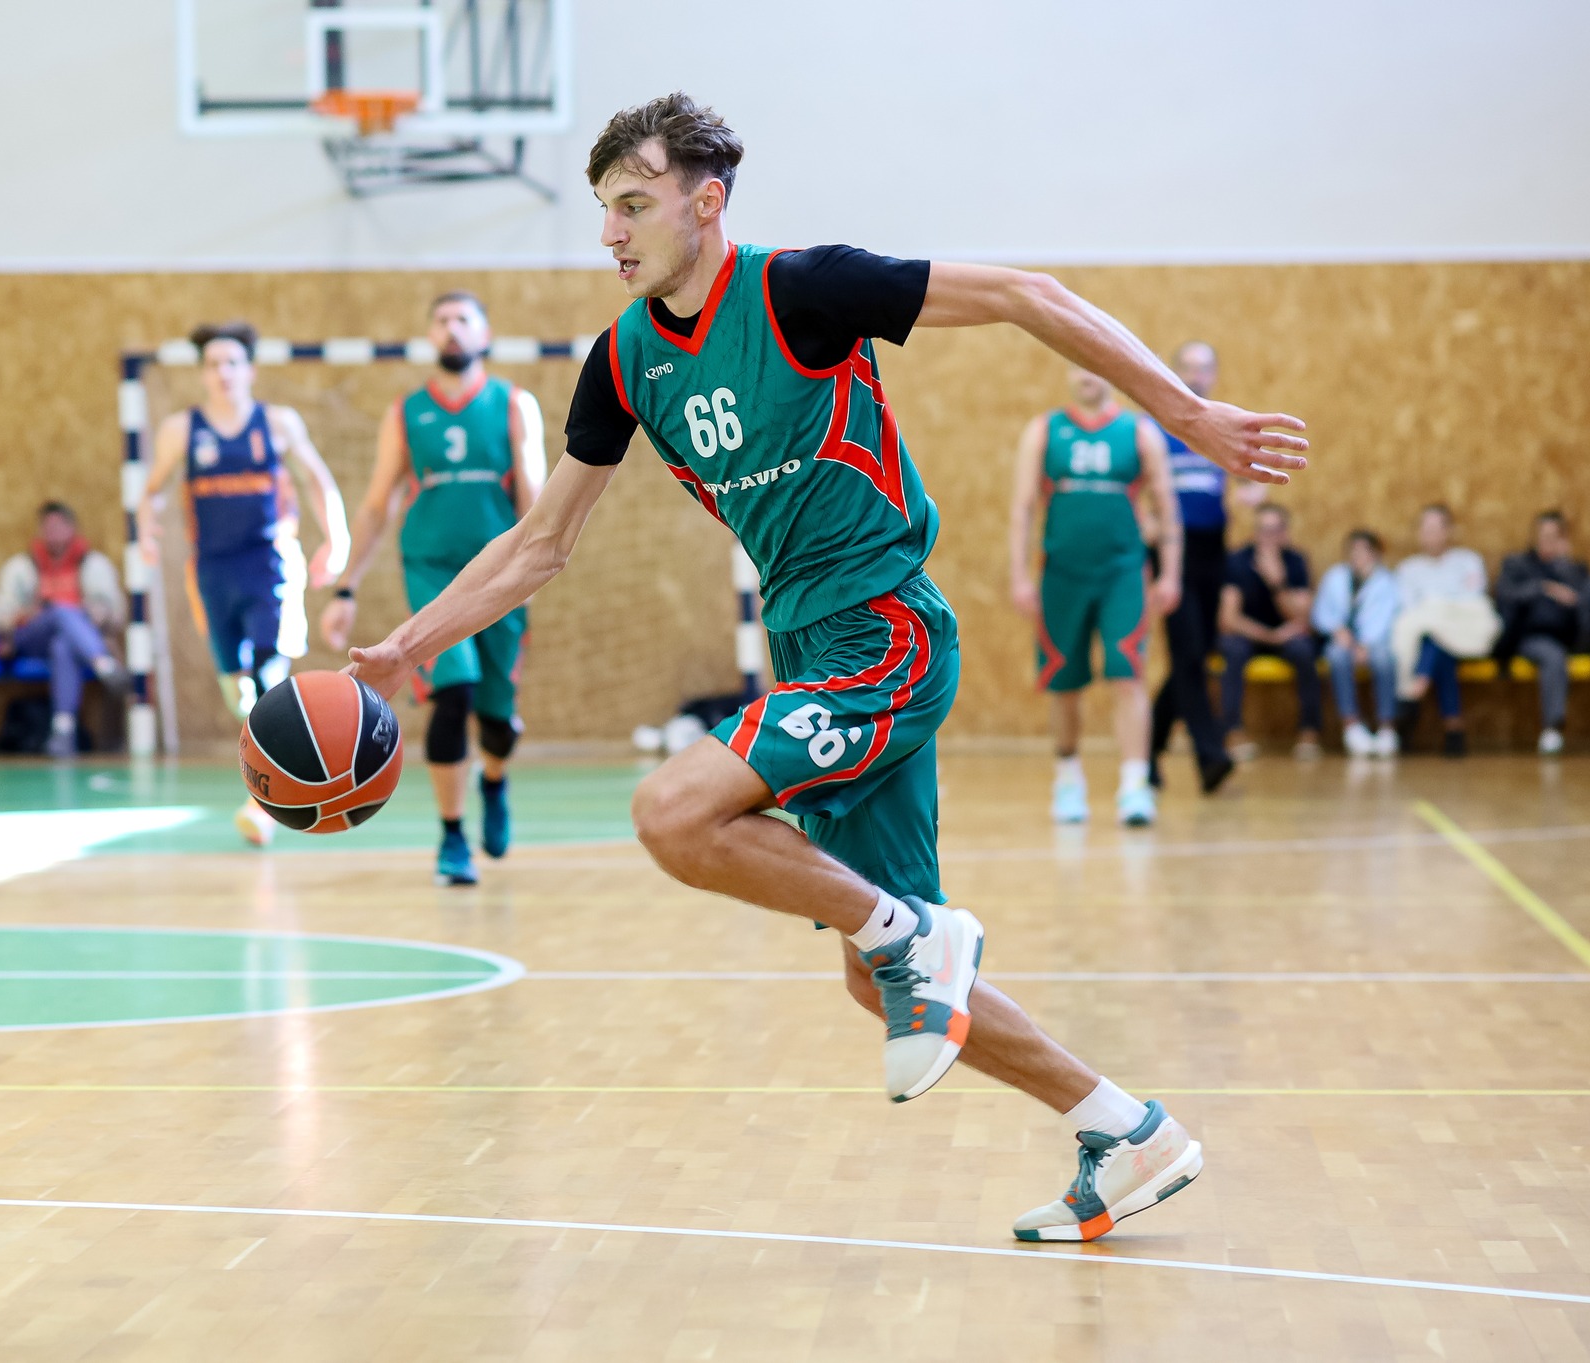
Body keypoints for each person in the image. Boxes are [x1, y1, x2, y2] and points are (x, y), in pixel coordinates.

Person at [343, 94, 1308, 1243]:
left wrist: (1186, 415)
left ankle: (916, 935)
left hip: (883, 630)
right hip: (808, 645)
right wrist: (406, 645)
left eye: (634, 205)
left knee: (672, 812)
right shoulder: (622, 360)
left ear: (706, 202)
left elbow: (1026, 294)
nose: (612, 233)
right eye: (604, 209)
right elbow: (538, 544)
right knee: (874, 971)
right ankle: (1122, 1127)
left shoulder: (803, 290)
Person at [320, 292, 547, 885]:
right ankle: (451, 836)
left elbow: (536, 496)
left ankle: (493, 781)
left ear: (485, 334)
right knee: (454, 690)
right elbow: (377, 505)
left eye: (463, 319)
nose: (452, 329)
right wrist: (346, 588)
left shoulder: (513, 404)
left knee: (497, 718)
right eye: (441, 321)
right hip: (431, 570)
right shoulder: (406, 412)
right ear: (429, 337)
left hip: (498, 576)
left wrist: (532, 569)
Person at [139, 322, 349, 845]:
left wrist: (336, 537)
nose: (224, 372)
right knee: (240, 690)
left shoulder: (277, 423)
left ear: (250, 370)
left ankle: (266, 800)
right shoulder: (181, 430)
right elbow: (153, 490)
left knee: (269, 670)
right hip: (212, 570)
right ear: (203, 373)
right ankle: (269, 773)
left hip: (270, 562)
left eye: (233, 362)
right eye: (214, 364)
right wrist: (146, 527)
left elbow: (317, 479)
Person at [1007, 367, 1180, 826]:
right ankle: (1068, 779)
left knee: (1128, 675)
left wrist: (1171, 574)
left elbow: (1166, 505)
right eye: (1078, 366)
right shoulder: (1044, 430)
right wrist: (1019, 576)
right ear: (1067, 371)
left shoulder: (1139, 432)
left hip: (1123, 572)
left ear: (1109, 371)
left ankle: (1135, 786)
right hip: (1062, 574)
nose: (1087, 375)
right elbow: (1023, 508)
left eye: (1095, 366)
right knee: (1064, 682)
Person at [1146, 341, 1239, 794]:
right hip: (1172, 551)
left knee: (1198, 655)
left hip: (1212, 550)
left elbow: (1232, 484)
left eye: (1204, 368)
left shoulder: (1220, 428)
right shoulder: (1152, 428)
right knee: (1187, 653)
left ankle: (1148, 749)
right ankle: (1211, 755)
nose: (1196, 375)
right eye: (1188, 367)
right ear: (1173, 372)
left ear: (1214, 375)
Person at [0, 502, 124, 757]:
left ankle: (63, 732)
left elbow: (115, 614)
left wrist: (97, 614)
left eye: (59, 526)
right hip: (29, 639)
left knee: (62, 646)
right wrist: (27, 614)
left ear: (72, 528)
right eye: (48, 527)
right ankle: (105, 666)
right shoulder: (22, 566)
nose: (53, 532)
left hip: (73, 642)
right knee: (60, 612)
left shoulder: (92, 564)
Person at [1493, 511, 1590, 754]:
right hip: (1535, 637)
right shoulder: (1518, 565)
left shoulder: (1572, 567)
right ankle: (1553, 729)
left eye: (1554, 537)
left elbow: (1586, 603)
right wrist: (1544, 588)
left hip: (1573, 635)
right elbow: (1506, 595)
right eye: (1544, 536)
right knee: (1553, 656)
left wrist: (1563, 568)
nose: (1548, 542)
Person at [1392, 504, 1498, 757]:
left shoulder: (1468, 561)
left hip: (1463, 630)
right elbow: (1409, 610)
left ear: (1448, 531)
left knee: (1438, 638)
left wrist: (1436, 608)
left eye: (1434, 528)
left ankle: (1413, 695)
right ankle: (1453, 728)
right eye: (1424, 529)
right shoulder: (1408, 569)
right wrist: (1435, 613)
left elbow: (1473, 600)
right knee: (1438, 645)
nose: (1429, 535)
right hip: (1428, 637)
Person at [1218, 503, 1320, 760]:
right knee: (1232, 648)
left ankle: (1309, 732)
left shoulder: (1295, 562)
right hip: (1250, 636)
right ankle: (1234, 732)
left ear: (1285, 533)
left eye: (1275, 530)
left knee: (1304, 649)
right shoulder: (1237, 561)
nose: (1268, 537)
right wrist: (1270, 636)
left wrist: (1277, 583)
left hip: (1287, 636)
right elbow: (1229, 620)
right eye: (1263, 530)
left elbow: (1303, 618)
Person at [1311, 529, 1400, 757]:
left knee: (1384, 660)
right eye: (1354, 550)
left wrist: (1365, 644)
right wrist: (1337, 629)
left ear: (1376, 553)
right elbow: (1321, 613)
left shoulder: (1386, 581)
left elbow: (1387, 618)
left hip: (1375, 642)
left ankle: (1386, 726)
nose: (1358, 555)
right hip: (1342, 640)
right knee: (1337, 656)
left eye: (1364, 550)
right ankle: (1351, 724)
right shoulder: (1335, 577)